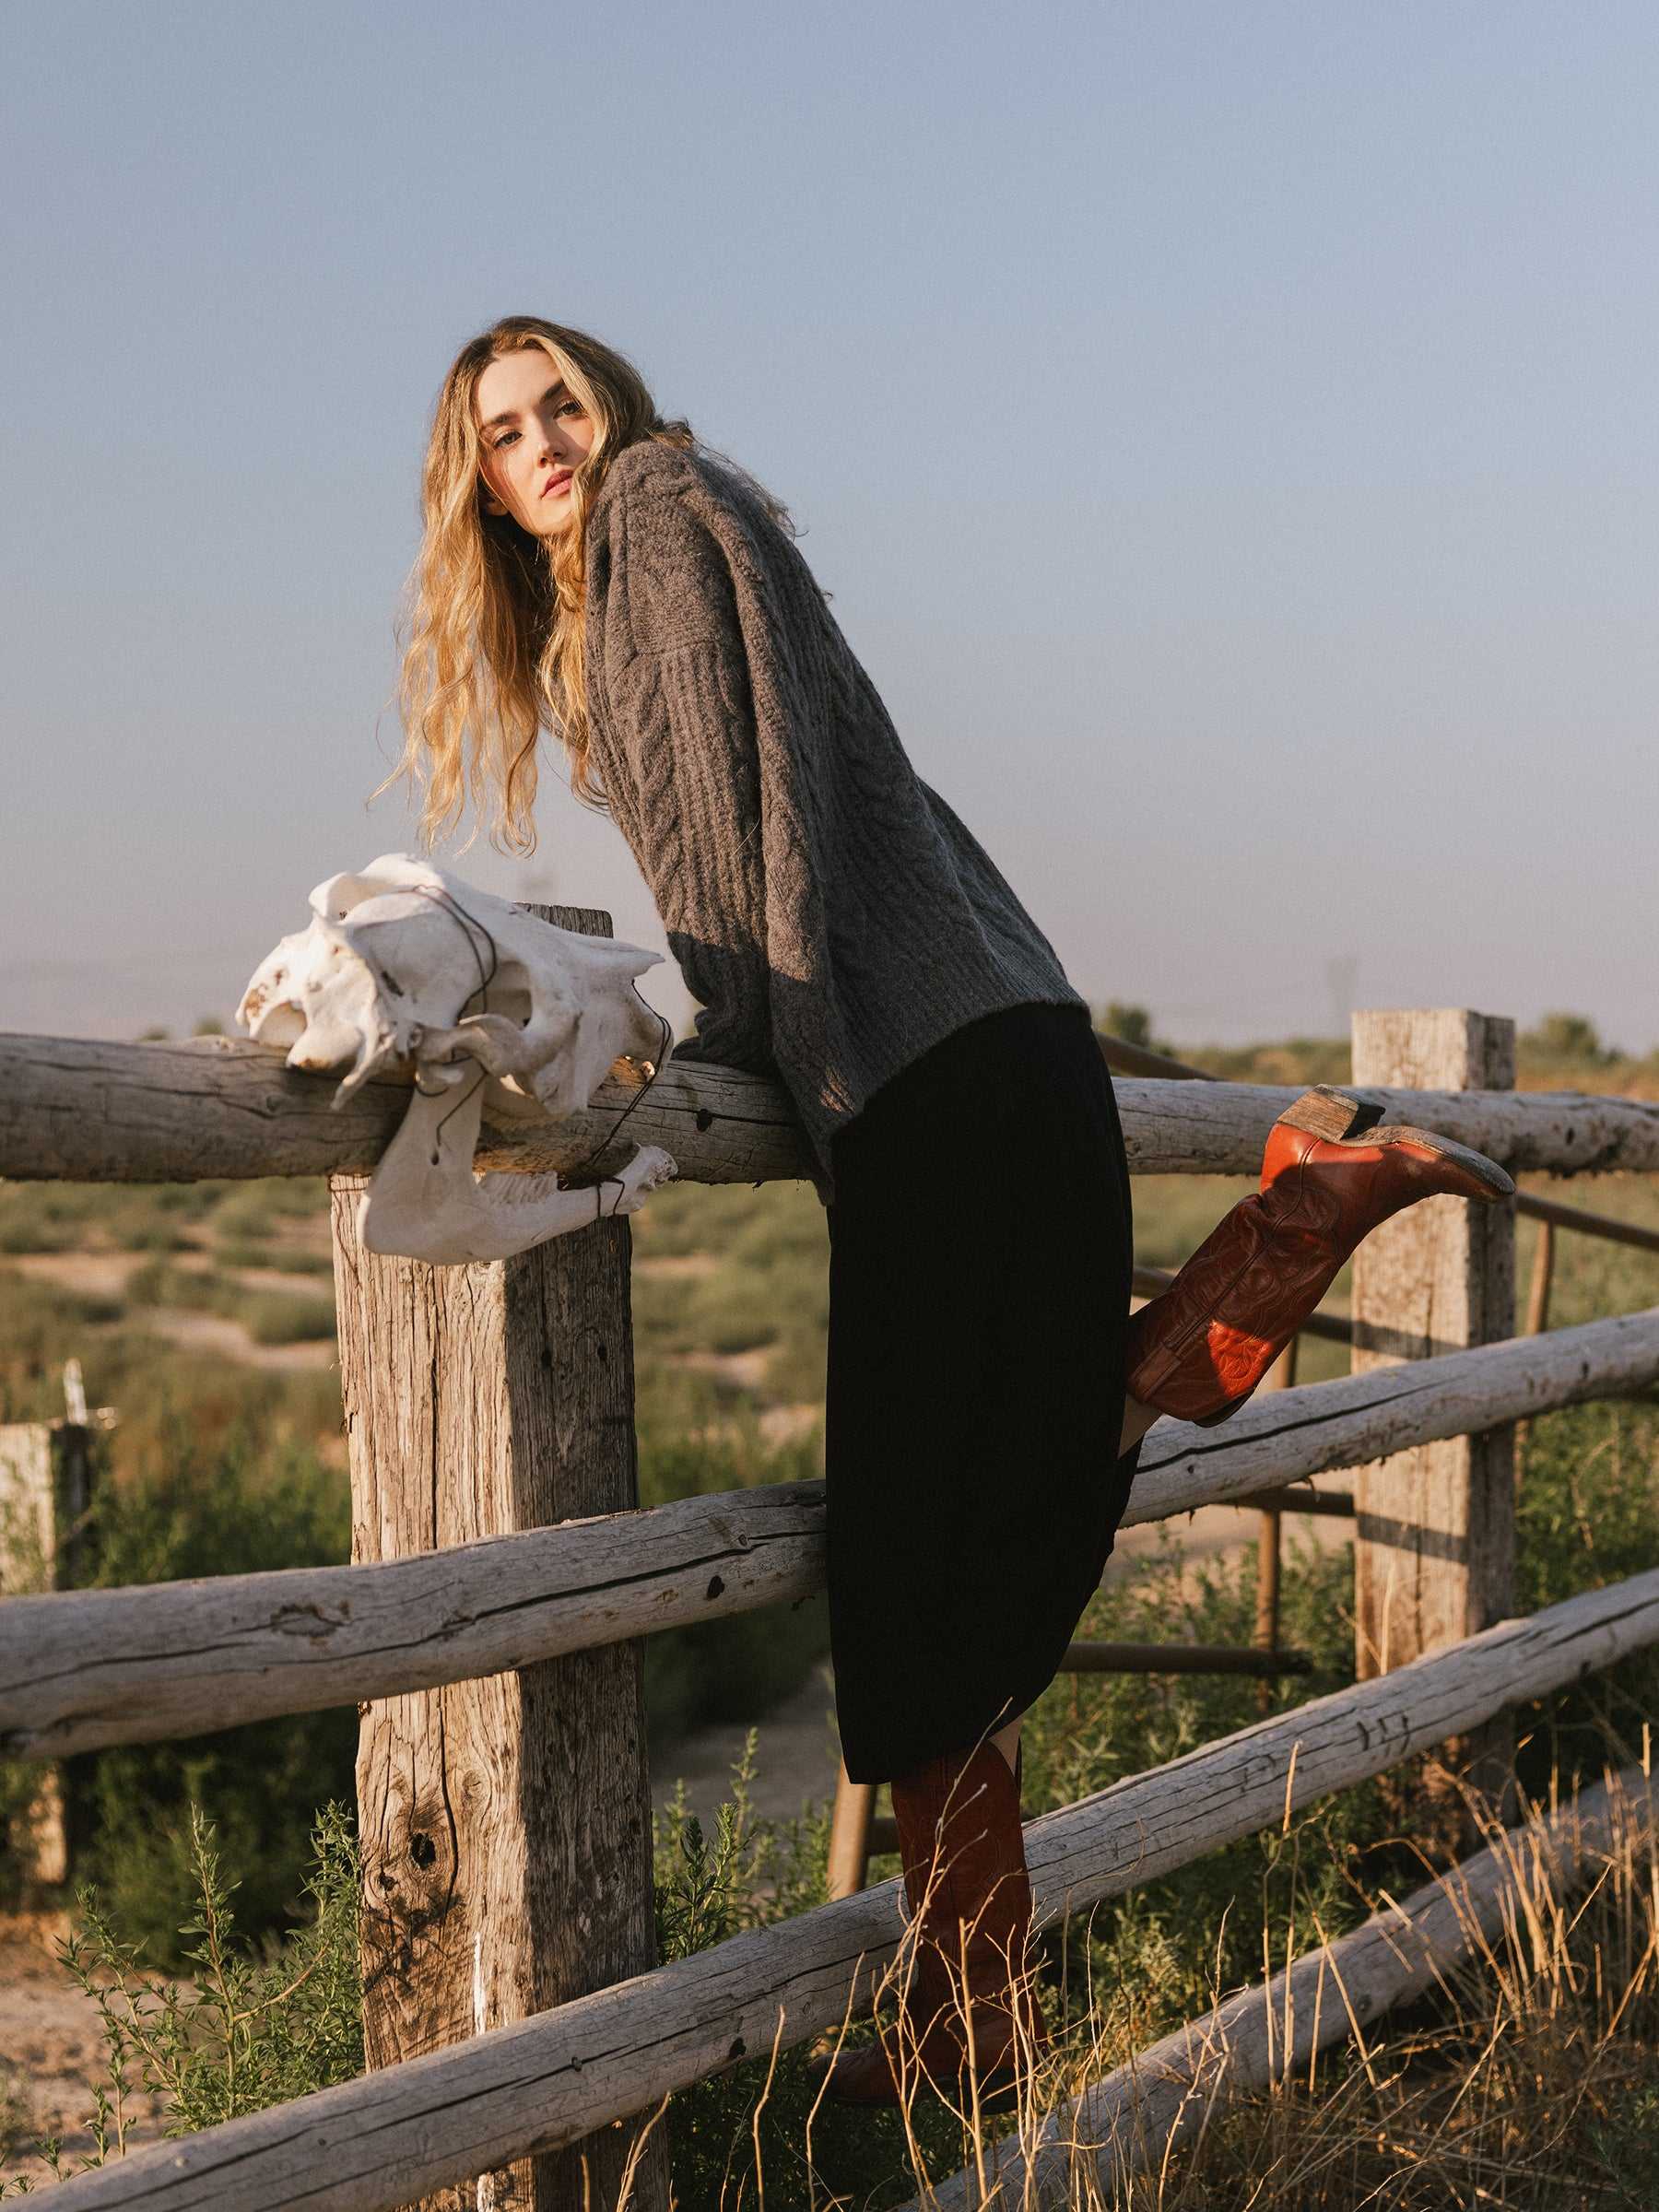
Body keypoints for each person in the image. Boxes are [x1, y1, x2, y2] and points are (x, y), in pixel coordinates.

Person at [382, 316, 1513, 2114]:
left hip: (917, 1084)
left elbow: (723, 837)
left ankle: (968, 2067)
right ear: (476, 482)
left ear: (614, 399)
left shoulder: (657, 512)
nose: (544, 444)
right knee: (1003, 1502)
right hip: (1001, 1052)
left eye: (559, 404)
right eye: (503, 431)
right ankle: (1278, 1238)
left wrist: (724, 1037)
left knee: (913, 1626)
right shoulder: (694, 524)